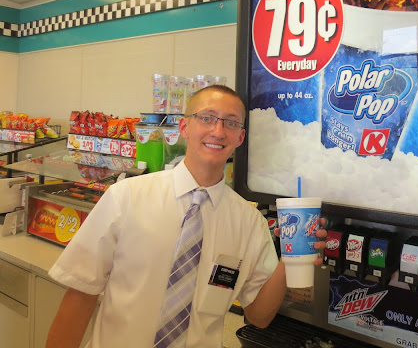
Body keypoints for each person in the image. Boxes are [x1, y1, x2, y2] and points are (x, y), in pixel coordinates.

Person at [46, 85, 327, 348]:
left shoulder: (249, 222)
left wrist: (290, 259)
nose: (218, 131)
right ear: (184, 127)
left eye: (231, 123)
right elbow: (81, 292)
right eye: (207, 118)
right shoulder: (126, 196)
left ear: (240, 138)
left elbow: (259, 316)